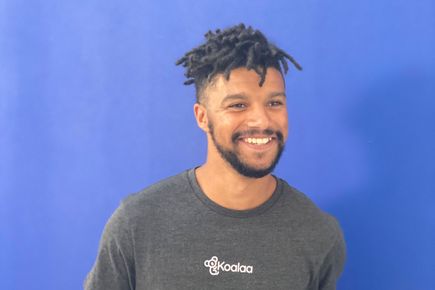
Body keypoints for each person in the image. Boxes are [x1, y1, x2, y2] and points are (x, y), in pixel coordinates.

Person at [84, 23, 346, 290]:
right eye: (238, 105)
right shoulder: (136, 223)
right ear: (202, 116)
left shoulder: (318, 233)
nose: (261, 119)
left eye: (274, 102)